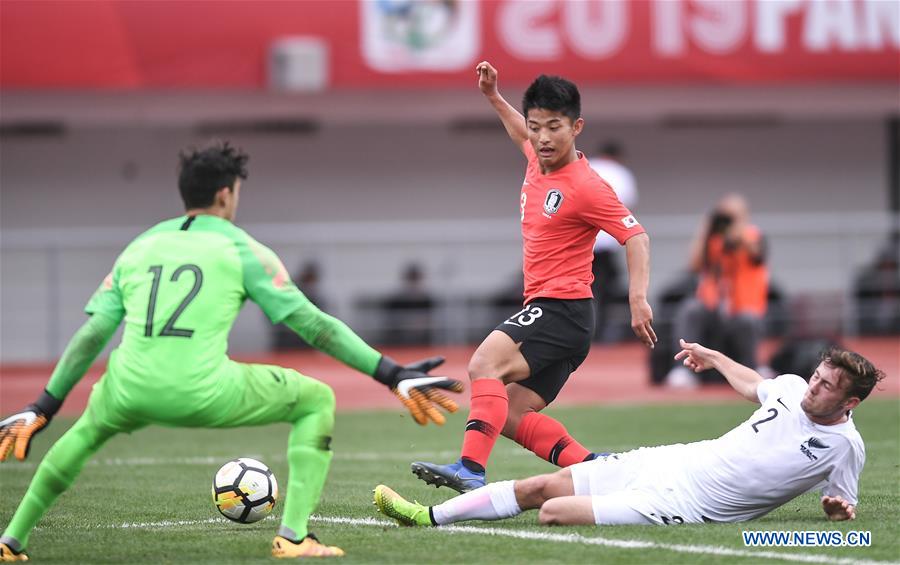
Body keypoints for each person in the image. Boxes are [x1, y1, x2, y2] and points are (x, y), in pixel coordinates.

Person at [0, 142, 463, 561]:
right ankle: (295, 538)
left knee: (82, 433)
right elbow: (314, 326)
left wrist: (43, 405)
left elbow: (91, 335)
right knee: (316, 398)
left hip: (128, 388)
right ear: (225, 195)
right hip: (204, 391)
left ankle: (11, 540)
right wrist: (389, 372)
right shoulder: (242, 249)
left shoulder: (140, 247)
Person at [409, 62, 655, 494]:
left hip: (562, 309)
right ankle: (601, 473)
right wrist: (492, 96)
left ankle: (470, 469)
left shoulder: (587, 186)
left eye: (554, 127)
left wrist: (638, 299)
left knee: (484, 364)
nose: (543, 137)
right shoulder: (535, 156)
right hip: (560, 315)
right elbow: (518, 132)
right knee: (511, 414)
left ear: (576, 127)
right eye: (537, 125)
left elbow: (635, 236)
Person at [375, 341, 883, 528]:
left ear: (850, 402)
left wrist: (836, 510)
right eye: (817, 377)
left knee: (553, 512)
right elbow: (754, 383)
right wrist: (713, 359)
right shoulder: (793, 388)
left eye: (827, 387)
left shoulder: (845, 446)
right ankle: (425, 516)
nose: (814, 388)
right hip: (674, 460)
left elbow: (842, 507)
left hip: (690, 504)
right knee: (540, 487)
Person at [666, 193, 768, 388]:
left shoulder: (753, 236)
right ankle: (682, 371)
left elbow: (757, 254)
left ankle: (753, 371)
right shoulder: (714, 240)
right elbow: (694, 265)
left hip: (743, 308)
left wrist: (740, 232)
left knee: (748, 320)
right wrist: (706, 228)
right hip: (713, 307)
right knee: (690, 310)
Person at [588, 141, 638, 342]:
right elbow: (627, 205)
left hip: (582, 243)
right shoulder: (620, 173)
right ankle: (600, 331)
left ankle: (589, 330)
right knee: (605, 290)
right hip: (606, 242)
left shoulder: (586, 166)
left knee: (585, 289)